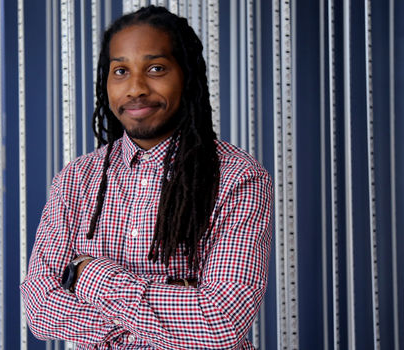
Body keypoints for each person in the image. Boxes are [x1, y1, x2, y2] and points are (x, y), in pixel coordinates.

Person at [21, 6, 273, 349]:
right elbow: (40, 309)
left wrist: (88, 275)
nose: (136, 88)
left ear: (186, 75)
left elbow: (219, 323)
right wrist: (168, 310)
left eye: (156, 68)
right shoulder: (76, 178)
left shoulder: (238, 177)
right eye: (120, 71)